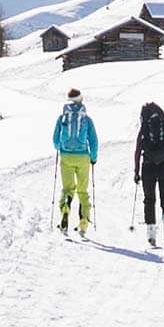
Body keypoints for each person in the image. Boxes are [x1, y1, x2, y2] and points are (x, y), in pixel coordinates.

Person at [133, 99, 164, 248]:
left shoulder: (144, 130)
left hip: (148, 167)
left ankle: (151, 234)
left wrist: (137, 172)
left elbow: (137, 152)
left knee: (149, 200)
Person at [52, 86, 98, 235]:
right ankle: (83, 222)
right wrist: (93, 157)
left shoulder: (62, 118)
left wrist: (60, 148)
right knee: (82, 191)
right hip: (83, 156)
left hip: (66, 156)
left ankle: (65, 212)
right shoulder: (86, 119)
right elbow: (94, 140)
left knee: (67, 189)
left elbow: (54, 140)